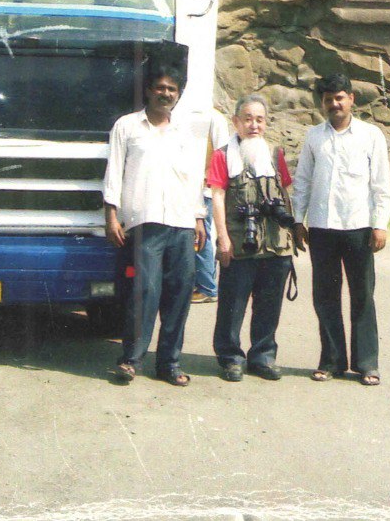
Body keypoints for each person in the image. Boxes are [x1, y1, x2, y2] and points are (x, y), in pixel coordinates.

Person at [102, 54, 207, 386]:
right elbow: (114, 172)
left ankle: (169, 364)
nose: (166, 94)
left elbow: (193, 178)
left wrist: (199, 217)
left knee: (179, 294)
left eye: (172, 89)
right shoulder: (127, 126)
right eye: (160, 88)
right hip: (144, 221)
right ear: (148, 90)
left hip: (182, 222)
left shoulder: (186, 132)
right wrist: (111, 215)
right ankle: (131, 359)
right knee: (144, 291)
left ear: (178, 94)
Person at [291, 73, 390, 386]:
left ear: (351, 99)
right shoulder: (314, 137)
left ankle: (367, 364)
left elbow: (381, 184)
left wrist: (380, 224)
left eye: (339, 98)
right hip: (322, 228)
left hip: (358, 227)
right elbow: (303, 180)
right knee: (325, 297)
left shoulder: (371, 135)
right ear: (322, 104)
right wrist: (297, 220)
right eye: (328, 100)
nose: (334, 104)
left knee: (363, 296)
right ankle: (331, 361)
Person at [207, 94, 301, 382]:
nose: (254, 125)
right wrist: (222, 238)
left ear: (266, 123)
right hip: (239, 244)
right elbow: (217, 197)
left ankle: (263, 356)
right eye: (247, 119)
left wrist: (294, 229)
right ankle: (231, 358)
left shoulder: (275, 154)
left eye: (259, 120)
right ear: (236, 122)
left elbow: (285, 192)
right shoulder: (222, 155)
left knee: (269, 305)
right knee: (232, 305)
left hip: (275, 244)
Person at [192, 109, 231, 304]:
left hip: (206, 187)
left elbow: (221, 152)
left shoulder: (214, 118)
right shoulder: (191, 115)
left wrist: (213, 181)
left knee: (202, 236)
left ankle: (207, 287)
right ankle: (203, 283)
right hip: (195, 186)